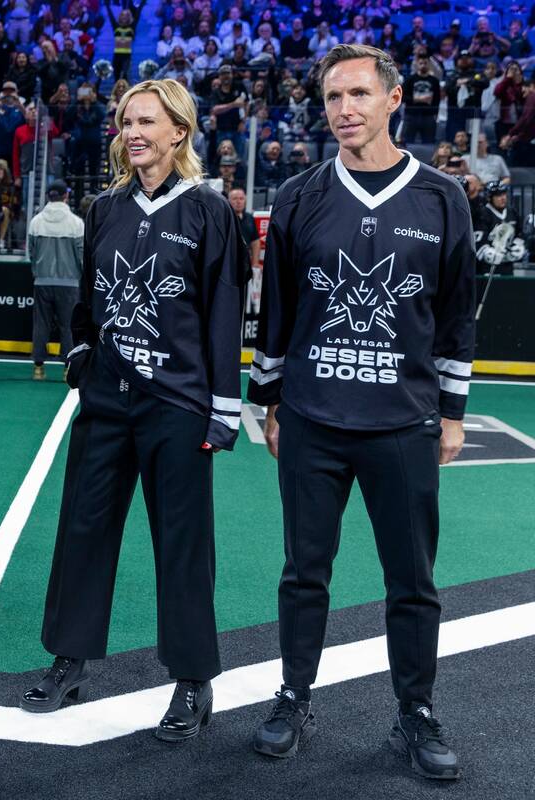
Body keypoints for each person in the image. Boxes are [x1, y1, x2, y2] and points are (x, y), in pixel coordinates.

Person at [247, 45, 475, 780]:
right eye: (333, 96)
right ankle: (292, 695)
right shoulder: (300, 195)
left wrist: (452, 410)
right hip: (312, 416)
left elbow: (455, 315)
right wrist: (271, 402)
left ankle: (416, 711)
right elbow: (277, 308)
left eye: (358, 94)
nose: (344, 109)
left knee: (413, 581)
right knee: (304, 572)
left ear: (393, 99)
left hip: (402, 423)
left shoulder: (442, 196)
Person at [22, 80, 246, 747]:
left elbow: (224, 314)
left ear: (179, 130)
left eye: (146, 121)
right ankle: (70, 658)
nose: (133, 132)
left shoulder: (209, 211)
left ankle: (192, 679)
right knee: (82, 531)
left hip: (178, 407)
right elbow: (90, 297)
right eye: (126, 122)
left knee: (182, 544)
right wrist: (86, 349)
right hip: (107, 402)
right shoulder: (106, 207)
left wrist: (223, 412)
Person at [27, 180, 84, 381]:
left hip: (42, 280)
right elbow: (81, 255)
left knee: (41, 324)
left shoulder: (36, 221)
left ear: (48, 197)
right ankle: (68, 368)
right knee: (68, 326)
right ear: (65, 196)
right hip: (69, 282)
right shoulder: (76, 223)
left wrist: (37, 272)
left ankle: (38, 368)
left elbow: (31, 253)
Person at [473, 181, 527, 275]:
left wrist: (518, 246)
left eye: (504, 194)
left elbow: (519, 233)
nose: (503, 198)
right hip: (486, 268)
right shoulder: (482, 214)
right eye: (498, 195)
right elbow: (478, 241)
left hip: (507, 265)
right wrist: (487, 253)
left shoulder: (512, 212)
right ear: (489, 197)